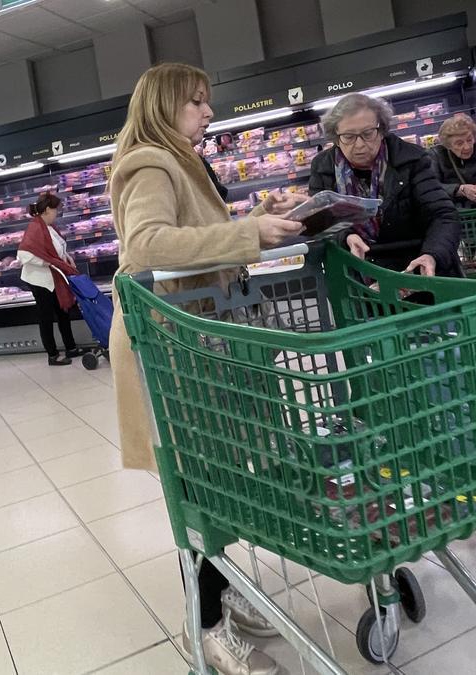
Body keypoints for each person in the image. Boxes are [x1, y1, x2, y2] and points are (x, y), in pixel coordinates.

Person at [109, 62, 306, 675]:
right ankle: (210, 627)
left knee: (217, 482)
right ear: (165, 107)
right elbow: (145, 246)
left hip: (200, 343)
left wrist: (249, 216)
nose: (208, 111)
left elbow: (193, 235)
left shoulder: (182, 160)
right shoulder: (150, 161)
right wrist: (246, 231)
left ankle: (227, 596)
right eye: (196, 102)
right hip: (172, 349)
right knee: (196, 491)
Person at [308, 93, 462, 277]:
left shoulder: (412, 160)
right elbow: (318, 221)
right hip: (358, 274)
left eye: (367, 134)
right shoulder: (323, 167)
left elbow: (443, 215)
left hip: (416, 269)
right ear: (335, 137)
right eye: (348, 136)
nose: (359, 145)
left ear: (381, 130)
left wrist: (431, 254)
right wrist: (346, 236)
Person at [17, 192, 85, 366]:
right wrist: (48, 263)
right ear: (47, 210)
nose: (57, 213)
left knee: (63, 312)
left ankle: (70, 347)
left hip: (54, 278)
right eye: (55, 210)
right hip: (40, 281)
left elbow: (57, 249)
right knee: (46, 317)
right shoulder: (35, 228)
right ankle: (52, 354)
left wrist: (66, 258)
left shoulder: (50, 227)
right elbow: (24, 255)